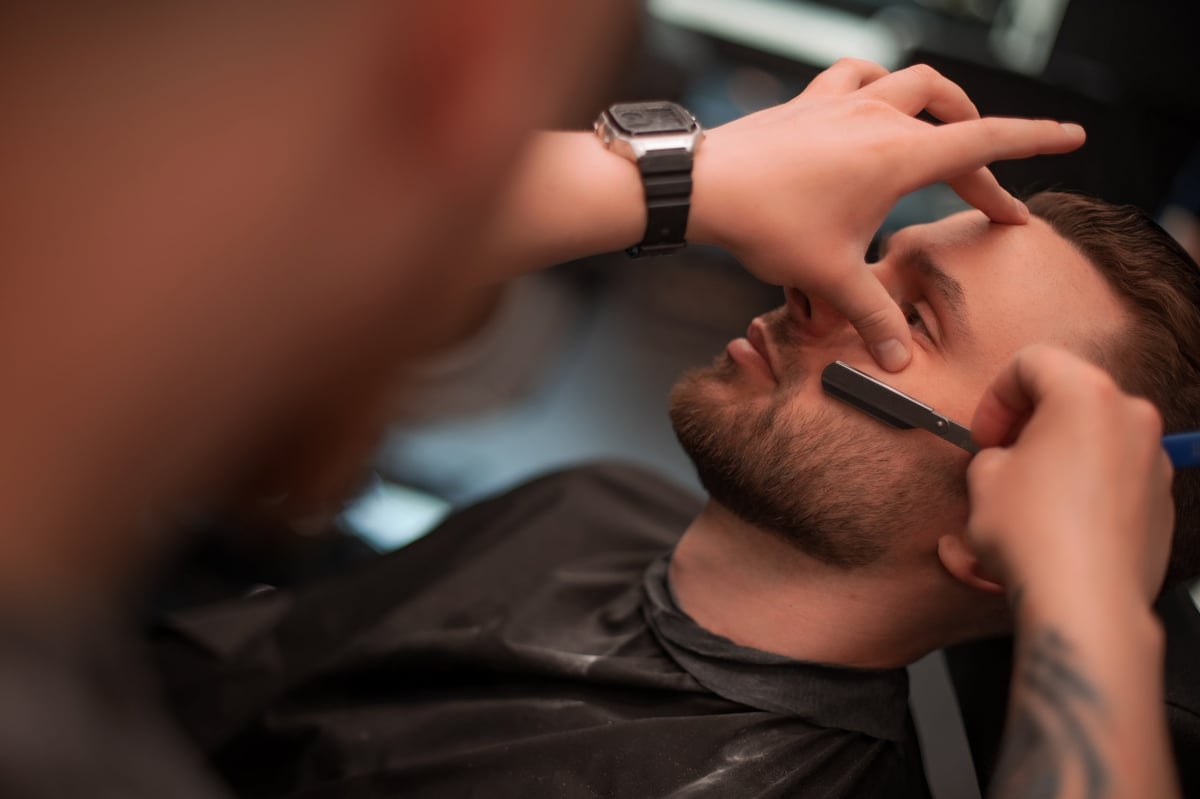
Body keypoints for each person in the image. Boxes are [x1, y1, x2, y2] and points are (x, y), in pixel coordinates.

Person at [151, 191, 1198, 798]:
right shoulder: (590, 502)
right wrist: (674, 174)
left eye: (916, 319)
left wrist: (1088, 589)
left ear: (1008, 520)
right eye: (877, 258)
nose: (824, 281)